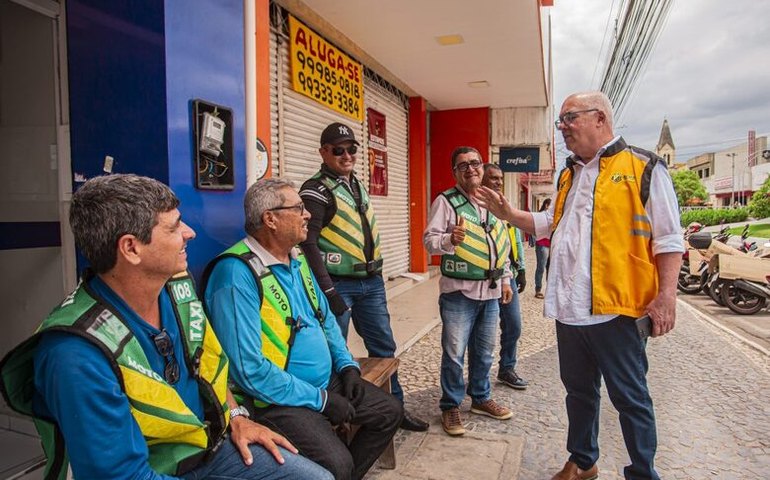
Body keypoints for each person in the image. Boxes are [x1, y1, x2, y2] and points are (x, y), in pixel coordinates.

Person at [0, 174, 331, 480]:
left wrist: (237, 416)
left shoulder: (176, 288)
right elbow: (124, 476)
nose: (190, 232)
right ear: (131, 248)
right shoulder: (75, 355)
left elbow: (209, 365)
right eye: (173, 228)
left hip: (207, 447)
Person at [476, 92, 683, 480]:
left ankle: (642, 472)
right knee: (579, 392)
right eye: (561, 120)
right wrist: (508, 213)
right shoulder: (569, 174)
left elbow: (670, 239)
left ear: (600, 118)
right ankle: (583, 461)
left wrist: (666, 296)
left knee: (631, 398)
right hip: (571, 311)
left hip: (618, 311)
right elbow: (547, 223)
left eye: (570, 118)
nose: (562, 127)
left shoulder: (643, 166)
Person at [202, 178, 403, 480]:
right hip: (273, 400)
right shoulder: (235, 274)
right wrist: (322, 400)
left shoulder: (297, 258)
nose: (307, 214)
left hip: (324, 383)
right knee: (338, 464)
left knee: (390, 412)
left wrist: (347, 367)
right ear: (270, 219)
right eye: (298, 208)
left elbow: (326, 319)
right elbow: (249, 371)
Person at [298, 122, 428, 432]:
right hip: (337, 284)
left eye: (352, 149)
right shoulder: (315, 190)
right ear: (323, 152)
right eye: (338, 150)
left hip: (371, 283)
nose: (347, 155)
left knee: (384, 347)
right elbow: (308, 244)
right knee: (334, 353)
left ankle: (394, 410)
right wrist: (328, 292)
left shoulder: (355, 184)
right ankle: (337, 421)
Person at [423, 146, 514, 437]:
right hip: (458, 293)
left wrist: (506, 279)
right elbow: (429, 241)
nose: (470, 169)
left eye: (475, 163)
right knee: (454, 353)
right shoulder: (445, 201)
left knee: (484, 351)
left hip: (490, 292)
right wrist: (449, 239)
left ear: (482, 167)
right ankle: (450, 404)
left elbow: (501, 243)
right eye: (463, 165)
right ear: (455, 172)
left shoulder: (493, 201)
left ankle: (480, 398)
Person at [481, 163, 529, 390]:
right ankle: (478, 377)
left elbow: (515, 238)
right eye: (493, 178)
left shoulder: (505, 206)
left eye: (500, 178)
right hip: (485, 279)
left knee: (513, 325)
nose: (499, 182)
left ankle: (507, 368)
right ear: (482, 179)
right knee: (483, 333)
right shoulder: (476, 207)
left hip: (508, 276)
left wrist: (522, 269)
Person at [534, 198, 552, 299]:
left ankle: (549, 290)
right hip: (542, 244)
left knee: (550, 268)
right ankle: (538, 289)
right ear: (546, 205)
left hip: (551, 245)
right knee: (541, 267)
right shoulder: (542, 216)